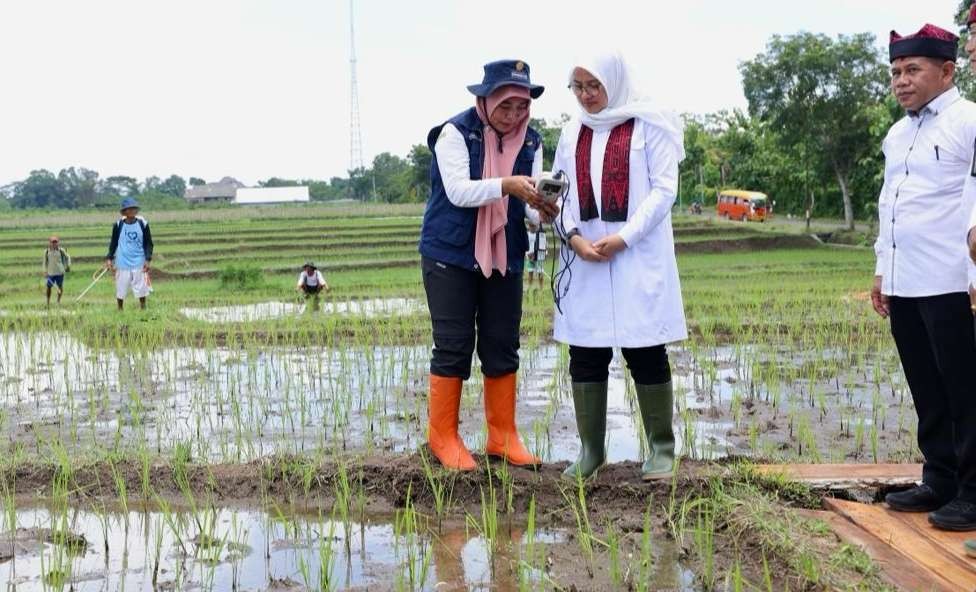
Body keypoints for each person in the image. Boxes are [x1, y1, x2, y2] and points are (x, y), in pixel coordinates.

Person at [551, 51, 687, 481]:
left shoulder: (650, 124)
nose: (587, 96)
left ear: (614, 81)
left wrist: (624, 237)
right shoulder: (571, 132)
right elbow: (557, 194)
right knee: (585, 352)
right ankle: (591, 451)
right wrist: (573, 235)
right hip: (585, 254)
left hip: (635, 253)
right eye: (579, 87)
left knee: (644, 348)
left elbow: (664, 190)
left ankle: (662, 449)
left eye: (595, 86)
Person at [419, 59, 558, 471]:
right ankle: (443, 437)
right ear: (486, 99)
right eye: (506, 105)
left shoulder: (531, 142)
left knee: (502, 344)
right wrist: (508, 186)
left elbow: (528, 211)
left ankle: (503, 437)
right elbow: (460, 192)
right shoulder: (454, 134)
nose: (514, 115)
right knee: (454, 344)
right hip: (451, 254)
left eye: (522, 105)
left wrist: (542, 210)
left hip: (505, 253)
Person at [872, 24, 976, 532]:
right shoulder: (897, 133)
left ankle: (975, 490)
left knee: (965, 389)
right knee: (926, 386)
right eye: (895, 71)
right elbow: (888, 206)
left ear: (947, 71)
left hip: (952, 281)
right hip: (905, 280)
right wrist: (880, 269)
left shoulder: (968, 123)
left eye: (912, 70)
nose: (901, 81)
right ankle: (940, 477)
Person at [105, 197, 154, 310]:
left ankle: (143, 308)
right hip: (122, 261)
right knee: (121, 287)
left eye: (134, 208)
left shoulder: (143, 224)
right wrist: (109, 258)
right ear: (124, 212)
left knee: (141, 287)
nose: (131, 211)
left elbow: (149, 243)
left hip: (139, 260)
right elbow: (113, 243)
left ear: (137, 210)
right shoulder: (118, 225)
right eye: (129, 209)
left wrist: (148, 260)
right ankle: (120, 309)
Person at [42, 236, 70, 307]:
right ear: (50, 243)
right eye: (53, 242)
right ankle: (48, 302)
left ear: (58, 243)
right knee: (48, 287)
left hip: (60, 272)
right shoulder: (47, 251)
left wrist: (68, 266)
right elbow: (45, 262)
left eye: (56, 242)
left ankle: (58, 301)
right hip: (50, 273)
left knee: (60, 287)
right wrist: (45, 271)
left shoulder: (61, 250)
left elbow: (68, 257)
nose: (54, 244)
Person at [525, 222, 547, 289]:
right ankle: (529, 286)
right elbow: (526, 246)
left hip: (539, 256)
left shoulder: (541, 235)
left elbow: (544, 244)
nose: (532, 228)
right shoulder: (527, 235)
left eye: (534, 226)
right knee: (530, 272)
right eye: (531, 226)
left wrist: (545, 253)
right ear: (529, 226)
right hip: (530, 256)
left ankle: (541, 287)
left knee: (540, 272)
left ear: (537, 226)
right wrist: (527, 254)